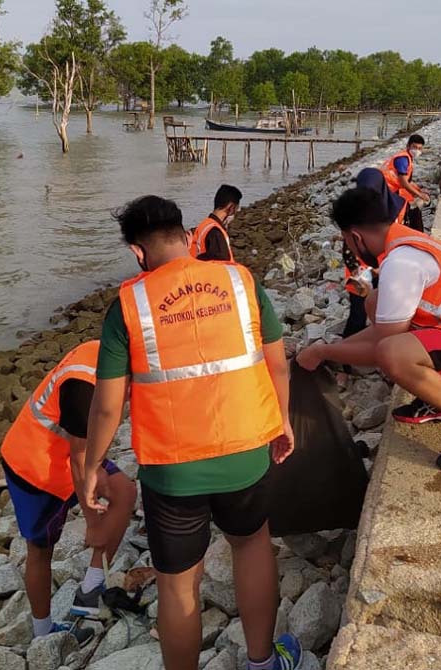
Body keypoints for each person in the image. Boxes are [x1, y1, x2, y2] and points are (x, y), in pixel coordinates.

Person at [80, 195, 302, 670]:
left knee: (178, 583)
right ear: (185, 237)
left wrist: (92, 466)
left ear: (137, 253)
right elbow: (277, 365)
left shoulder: (129, 305)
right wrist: (281, 419)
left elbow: (106, 406)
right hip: (245, 451)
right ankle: (262, 662)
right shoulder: (240, 280)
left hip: (173, 472)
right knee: (251, 544)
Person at [296, 187, 441, 473]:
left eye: (347, 242)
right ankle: (436, 401)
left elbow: (382, 348)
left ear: (356, 236)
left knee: (394, 355)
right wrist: (326, 350)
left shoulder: (401, 263)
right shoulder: (404, 241)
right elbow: (383, 330)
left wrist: (323, 352)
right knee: (375, 302)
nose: (350, 250)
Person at [0, 340, 138, 642]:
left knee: (124, 491)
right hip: (35, 467)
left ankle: (89, 592)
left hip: (74, 454)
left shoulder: (109, 352)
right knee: (40, 550)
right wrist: (94, 524)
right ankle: (42, 631)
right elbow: (79, 462)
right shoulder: (84, 383)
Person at [381, 134, 430, 232]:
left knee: (412, 206)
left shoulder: (406, 157)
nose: (417, 150)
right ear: (408, 146)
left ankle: (410, 230)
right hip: (388, 190)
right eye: (414, 147)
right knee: (409, 208)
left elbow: (406, 181)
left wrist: (418, 190)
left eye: (419, 148)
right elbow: (403, 182)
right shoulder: (403, 159)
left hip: (391, 187)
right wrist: (419, 194)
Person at [190, 184, 242, 261]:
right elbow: (221, 263)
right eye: (236, 209)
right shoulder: (215, 232)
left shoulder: (204, 225)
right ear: (231, 207)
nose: (235, 213)